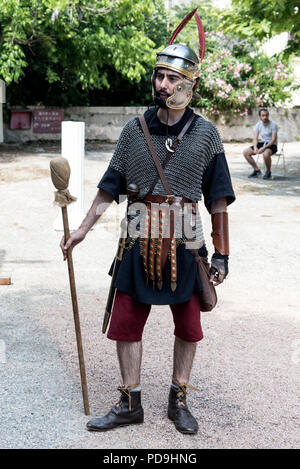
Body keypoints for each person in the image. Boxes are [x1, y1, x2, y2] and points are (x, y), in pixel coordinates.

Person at [60, 9, 235, 435]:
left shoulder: (207, 134)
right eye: (159, 76)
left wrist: (224, 255)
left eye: (172, 79)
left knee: (189, 325)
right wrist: (82, 229)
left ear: (190, 84)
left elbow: (218, 200)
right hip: (138, 231)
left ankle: (179, 399)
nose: (163, 85)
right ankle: (129, 401)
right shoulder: (134, 131)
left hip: (187, 235)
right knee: (124, 321)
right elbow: (109, 188)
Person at [243, 108, 278, 180]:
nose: (265, 117)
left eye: (266, 115)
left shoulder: (273, 125)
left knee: (266, 153)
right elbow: (255, 138)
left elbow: (273, 139)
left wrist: (264, 148)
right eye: (263, 115)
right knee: (246, 152)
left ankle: (268, 172)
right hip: (262, 143)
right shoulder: (258, 125)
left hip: (272, 144)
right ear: (260, 116)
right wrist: (255, 147)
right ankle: (257, 170)